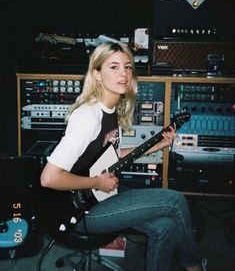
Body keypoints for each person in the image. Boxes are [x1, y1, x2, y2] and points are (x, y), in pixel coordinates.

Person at [40, 41, 206, 271]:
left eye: (127, 67)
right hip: (79, 211)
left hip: (99, 194)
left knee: (166, 226)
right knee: (175, 200)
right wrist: (98, 181)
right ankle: (194, 267)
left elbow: (114, 156)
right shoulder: (88, 118)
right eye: (114, 67)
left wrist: (157, 145)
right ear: (97, 74)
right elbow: (49, 178)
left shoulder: (111, 110)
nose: (124, 74)